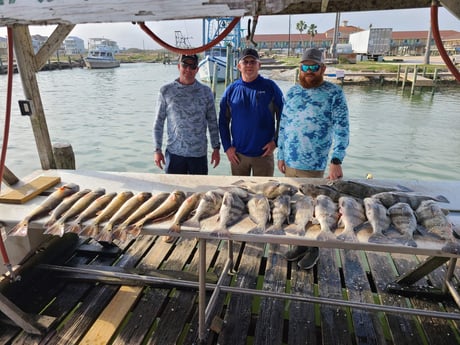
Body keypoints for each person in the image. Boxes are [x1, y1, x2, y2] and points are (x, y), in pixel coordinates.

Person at [277, 47, 350, 270]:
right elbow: (284, 125)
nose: (309, 71)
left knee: (316, 209)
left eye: (313, 67)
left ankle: (314, 248)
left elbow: (342, 128)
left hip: (315, 166)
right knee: (296, 207)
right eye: (305, 66)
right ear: (300, 68)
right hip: (290, 163)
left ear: (323, 69)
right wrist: (280, 154)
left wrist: (336, 160)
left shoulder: (334, 94)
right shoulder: (291, 92)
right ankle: (300, 243)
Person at [219, 48, 284, 176]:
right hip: (238, 156)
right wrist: (227, 147)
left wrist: (276, 142)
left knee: (264, 194)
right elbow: (222, 121)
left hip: (264, 155)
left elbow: (283, 118)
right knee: (239, 192)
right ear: (239, 66)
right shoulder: (231, 90)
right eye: (245, 62)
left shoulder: (270, 87)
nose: (249, 65)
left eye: (253, 62)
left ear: (259, 65)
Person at [153, 54, 220, 174]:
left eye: (192, 66)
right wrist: (157, 150)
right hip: (174, 154)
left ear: (197, 69)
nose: (188, 69)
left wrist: (216, 148)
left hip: (199, 154)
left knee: (199, 192)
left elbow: (212, 122)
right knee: (173, 191)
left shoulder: (206, 92)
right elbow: (158, 122)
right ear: (179, 66)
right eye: (185, 65)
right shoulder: (166, 91)